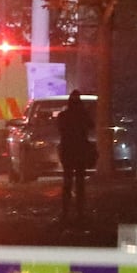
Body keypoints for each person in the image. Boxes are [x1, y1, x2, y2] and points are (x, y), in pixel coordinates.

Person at [57, 90, 94, 221]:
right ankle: (80, 212)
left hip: (68, 152)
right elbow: (91, 125)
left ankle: (65, 212)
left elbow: (60, 128)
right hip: (80, 151)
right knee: (80, 183)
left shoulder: (63, 115)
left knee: (67, 182)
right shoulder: (83, 115)